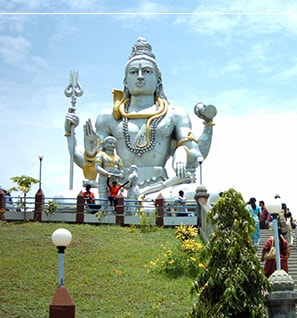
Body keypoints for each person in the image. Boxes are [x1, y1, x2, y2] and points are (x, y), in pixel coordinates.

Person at [65, 37, 216, 198]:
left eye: (147, 71)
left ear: (158, 80)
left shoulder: (174, 114)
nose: (140, 76)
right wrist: (70, 134)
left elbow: (196, 156)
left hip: (161, 188)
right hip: (118, 188)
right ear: (126, 81)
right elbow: (90, 164)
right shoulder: (108, 117)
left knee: (211, 194)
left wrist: (184, 149)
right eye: (133, 72)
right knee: (66, 197)